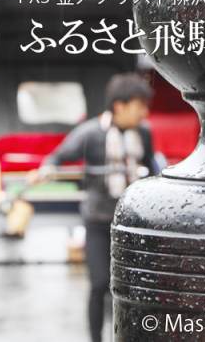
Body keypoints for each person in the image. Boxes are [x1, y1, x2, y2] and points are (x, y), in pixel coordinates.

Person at [28, 73, 158, 342]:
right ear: (120, 106)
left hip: (134, 224)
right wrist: (46, 169)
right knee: (99, 284)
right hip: (99, 220)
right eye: (140, 105)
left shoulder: (143, 134)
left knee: (135, 288)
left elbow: (152, 168)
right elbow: (60, 156)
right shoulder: (90, 133)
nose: (144, 112)